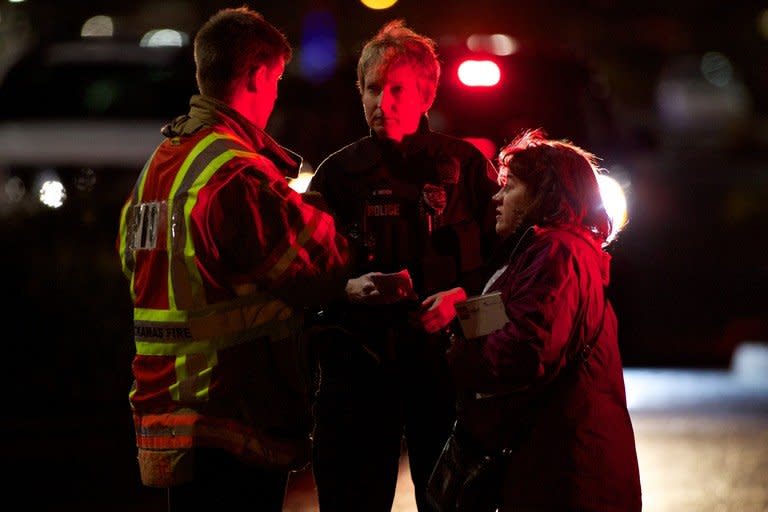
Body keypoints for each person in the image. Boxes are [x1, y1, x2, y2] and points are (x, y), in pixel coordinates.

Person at [115, 7, 353, 511]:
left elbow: (133, 267)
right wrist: (321, 208)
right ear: (256, 75)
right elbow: (321, 267)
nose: (275, 95)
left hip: (167, 410)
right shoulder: (235, 173)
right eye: (277, 81)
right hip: (233, 407)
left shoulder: (160, 164)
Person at [307, 19, 499, 512]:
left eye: (396, 89)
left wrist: (463, 300)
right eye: (372, 89)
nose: (381, 102)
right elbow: (301, 275)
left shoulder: (467, 170)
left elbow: (508, 277)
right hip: (357, 371)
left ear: (426, 95)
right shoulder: (336, 175)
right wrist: (347, 291)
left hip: (444, 371)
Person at [418, 128, 642, 511]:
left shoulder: (556, 252)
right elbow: (523, 321)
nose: (497, 197)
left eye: (510, 186)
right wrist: (464, 309)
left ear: (545, 194)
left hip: (563, 475)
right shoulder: (551, 250)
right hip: (561, 469)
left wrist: (458, 353)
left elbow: (523, 352)